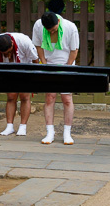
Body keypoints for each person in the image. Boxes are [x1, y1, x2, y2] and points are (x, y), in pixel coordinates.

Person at [31, 11, 80, 144]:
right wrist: (44, 63)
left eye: (53, 30)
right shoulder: (38, 26)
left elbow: (74, 50)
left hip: (66, 64)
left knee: (67, 98)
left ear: (58, 22)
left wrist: (67, 67)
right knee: (49, 97)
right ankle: (49, 132)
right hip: (49, 64)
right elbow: (38, 45)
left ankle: (67, 133)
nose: (51, 32)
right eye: (49, 31)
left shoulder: (70, 27)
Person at [0, 32, 39, 136]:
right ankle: (9, 126)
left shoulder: (24, 41)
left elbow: (35, 59)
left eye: (8, 52)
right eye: (3, 53)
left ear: (12, 44)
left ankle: (23, 126)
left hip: (25, 67)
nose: (7, 55)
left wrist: (34, 77)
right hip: (7, 69)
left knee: (24, 97)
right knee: (11, 96)